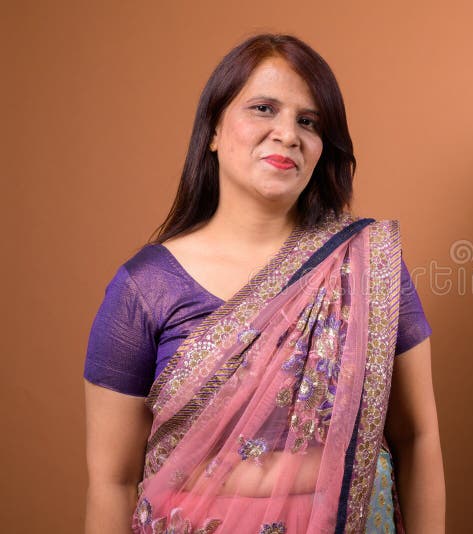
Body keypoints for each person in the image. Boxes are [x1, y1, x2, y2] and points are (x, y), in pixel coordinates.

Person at [84, 34, 445, 534]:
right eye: (263, 108)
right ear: (212, 130)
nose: (287, 134)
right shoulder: (144, 288)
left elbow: (417, 438)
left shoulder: (367, 266)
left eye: (308, 121)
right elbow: (112, 481)